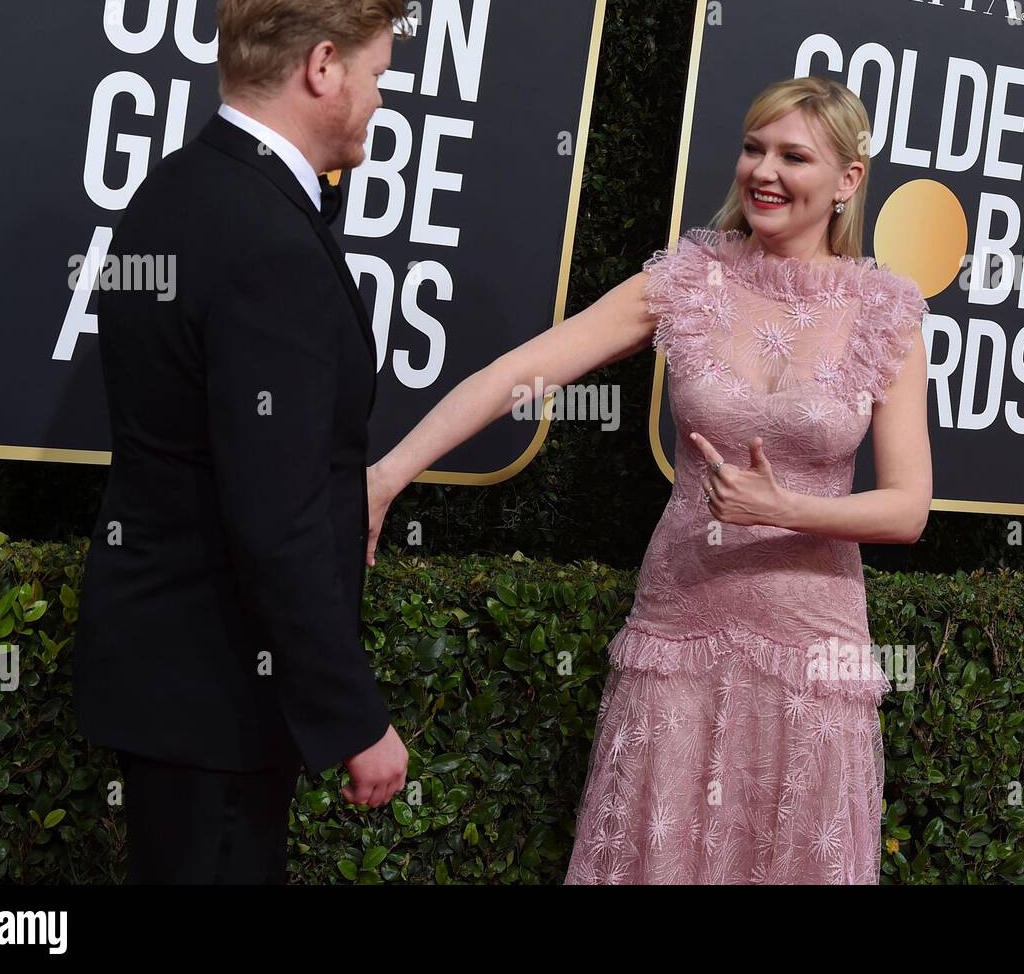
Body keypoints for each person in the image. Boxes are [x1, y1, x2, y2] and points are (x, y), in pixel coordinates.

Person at [367, 76, 931, 884]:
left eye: (793, 156)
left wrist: (785, 507)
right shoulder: (688, 280)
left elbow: (909, 508)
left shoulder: (888, 312)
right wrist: (387, 476)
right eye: (753, 148)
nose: (763, 171)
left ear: (847, 181)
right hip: (680, 635)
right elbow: (522, 372)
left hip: (813, 650)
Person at [74, 0, 411, 884]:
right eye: (378, 77)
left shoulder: (178, 187)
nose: (381, 103)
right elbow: (276, 510)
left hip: (171, 679)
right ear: (322, 67)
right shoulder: (267, 241)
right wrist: (352, 715)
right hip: (218, 690)